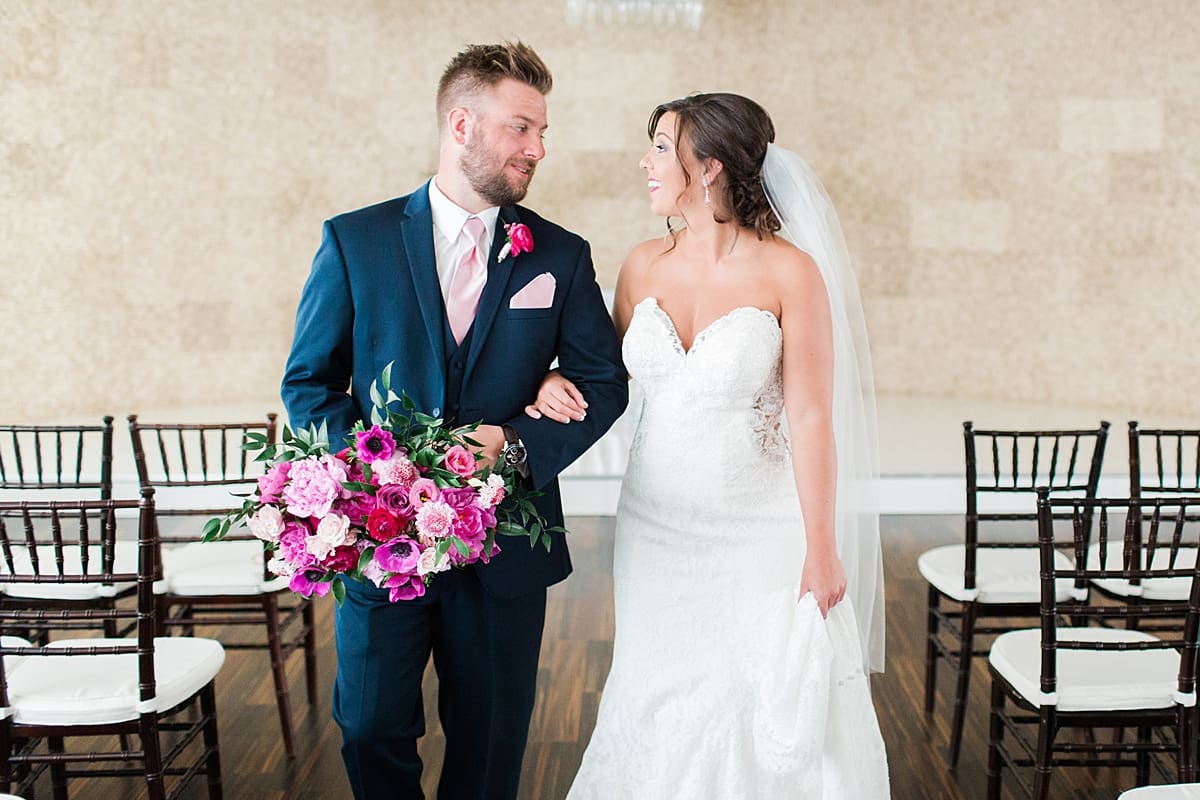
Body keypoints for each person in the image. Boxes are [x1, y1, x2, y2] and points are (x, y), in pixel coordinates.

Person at [280, 42, 628, 800]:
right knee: (370, 726)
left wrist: (516, 438)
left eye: (542, 132)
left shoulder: (559, 256)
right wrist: (376, 480)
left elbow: (604, 383)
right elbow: (309, 383)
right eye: (520, 128)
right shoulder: (356, 240)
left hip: (505, 546)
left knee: (493, 738)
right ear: (461, 123)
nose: (537, 148)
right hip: (381, 541)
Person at [528, 93, 890, 797]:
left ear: (712, 166)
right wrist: (548, 380)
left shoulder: (790, 272)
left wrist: (821, 548)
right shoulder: (639, 267)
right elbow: (603, 377)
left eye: (662, 146)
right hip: (656, 528)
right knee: (655, 685)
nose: (645, 161)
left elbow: (813, 417)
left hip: (760, 533)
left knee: (748, 692)